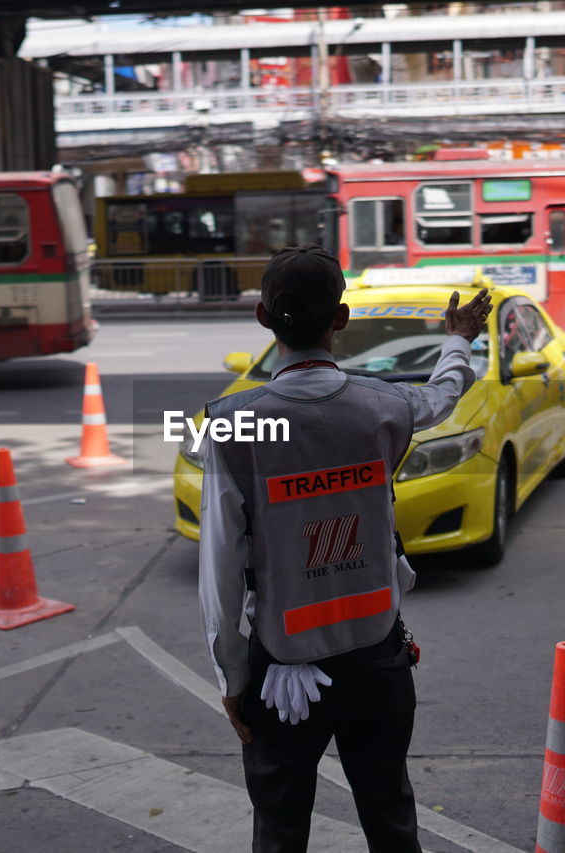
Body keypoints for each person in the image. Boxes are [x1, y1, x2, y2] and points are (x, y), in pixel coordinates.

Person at [198, 244, 491, 853]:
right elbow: (441, 396)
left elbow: (220, 574)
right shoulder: (386, 407)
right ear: (341, 319)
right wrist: (458, 339)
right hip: (379, 663)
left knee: (280, 836)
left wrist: (232, 679)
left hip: (281, 675)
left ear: (262, 317)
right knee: (390, 819)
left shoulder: (231, 425)